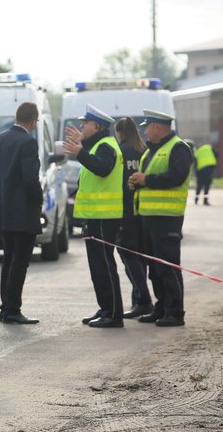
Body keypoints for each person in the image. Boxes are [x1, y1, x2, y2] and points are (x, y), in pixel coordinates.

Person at [128, 109, 193, 327]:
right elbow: (149, 179)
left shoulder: (179, 148)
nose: (145, 132)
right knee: (154, 267)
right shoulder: (152, 151)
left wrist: (146, 180)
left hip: (167, 217)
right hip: (149, 216)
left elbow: (176, 176)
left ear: (157, 127)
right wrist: (136, 183)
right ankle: (162, 307)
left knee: (168, 266)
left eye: (147, 127)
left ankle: (175, 312)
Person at [63, 104, 124, 328]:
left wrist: (80, 152)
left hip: (105, 216)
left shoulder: (106, 146)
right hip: (95, 215)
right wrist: (82, 145)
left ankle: (114, 314)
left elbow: (102, 168)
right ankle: (106, 308)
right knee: (97, 267)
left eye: (84, 124)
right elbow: (93, 160)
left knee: (105, 266)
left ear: (96, 126)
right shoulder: (99, 144)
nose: (81, 126)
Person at [0, 102, 42, 325]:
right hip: (22, 212)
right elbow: (31, 179)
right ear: (32, 120)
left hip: (2, 210)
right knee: (20, 262)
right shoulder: (27, 142)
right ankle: (12, 309)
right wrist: (39, 201)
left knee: (9, 259)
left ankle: (5, 308)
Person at [114, 117, 153, 319]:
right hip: (143, 210)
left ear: (119, 133)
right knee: (140, 256)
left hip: (125, 210)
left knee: (128, 253)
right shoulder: (144, 150)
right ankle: (139, 299)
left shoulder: (120, 151)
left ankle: (144, 299)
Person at [193, 141, 218, 205]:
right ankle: (205, 201)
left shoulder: (197, 152)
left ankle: (196, 200)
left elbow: (195, 164)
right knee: (207, 185)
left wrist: (196, 173)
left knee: (199, 185)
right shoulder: (208, 147)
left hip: (200, 170)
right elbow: (217, 155)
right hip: (209, 168)